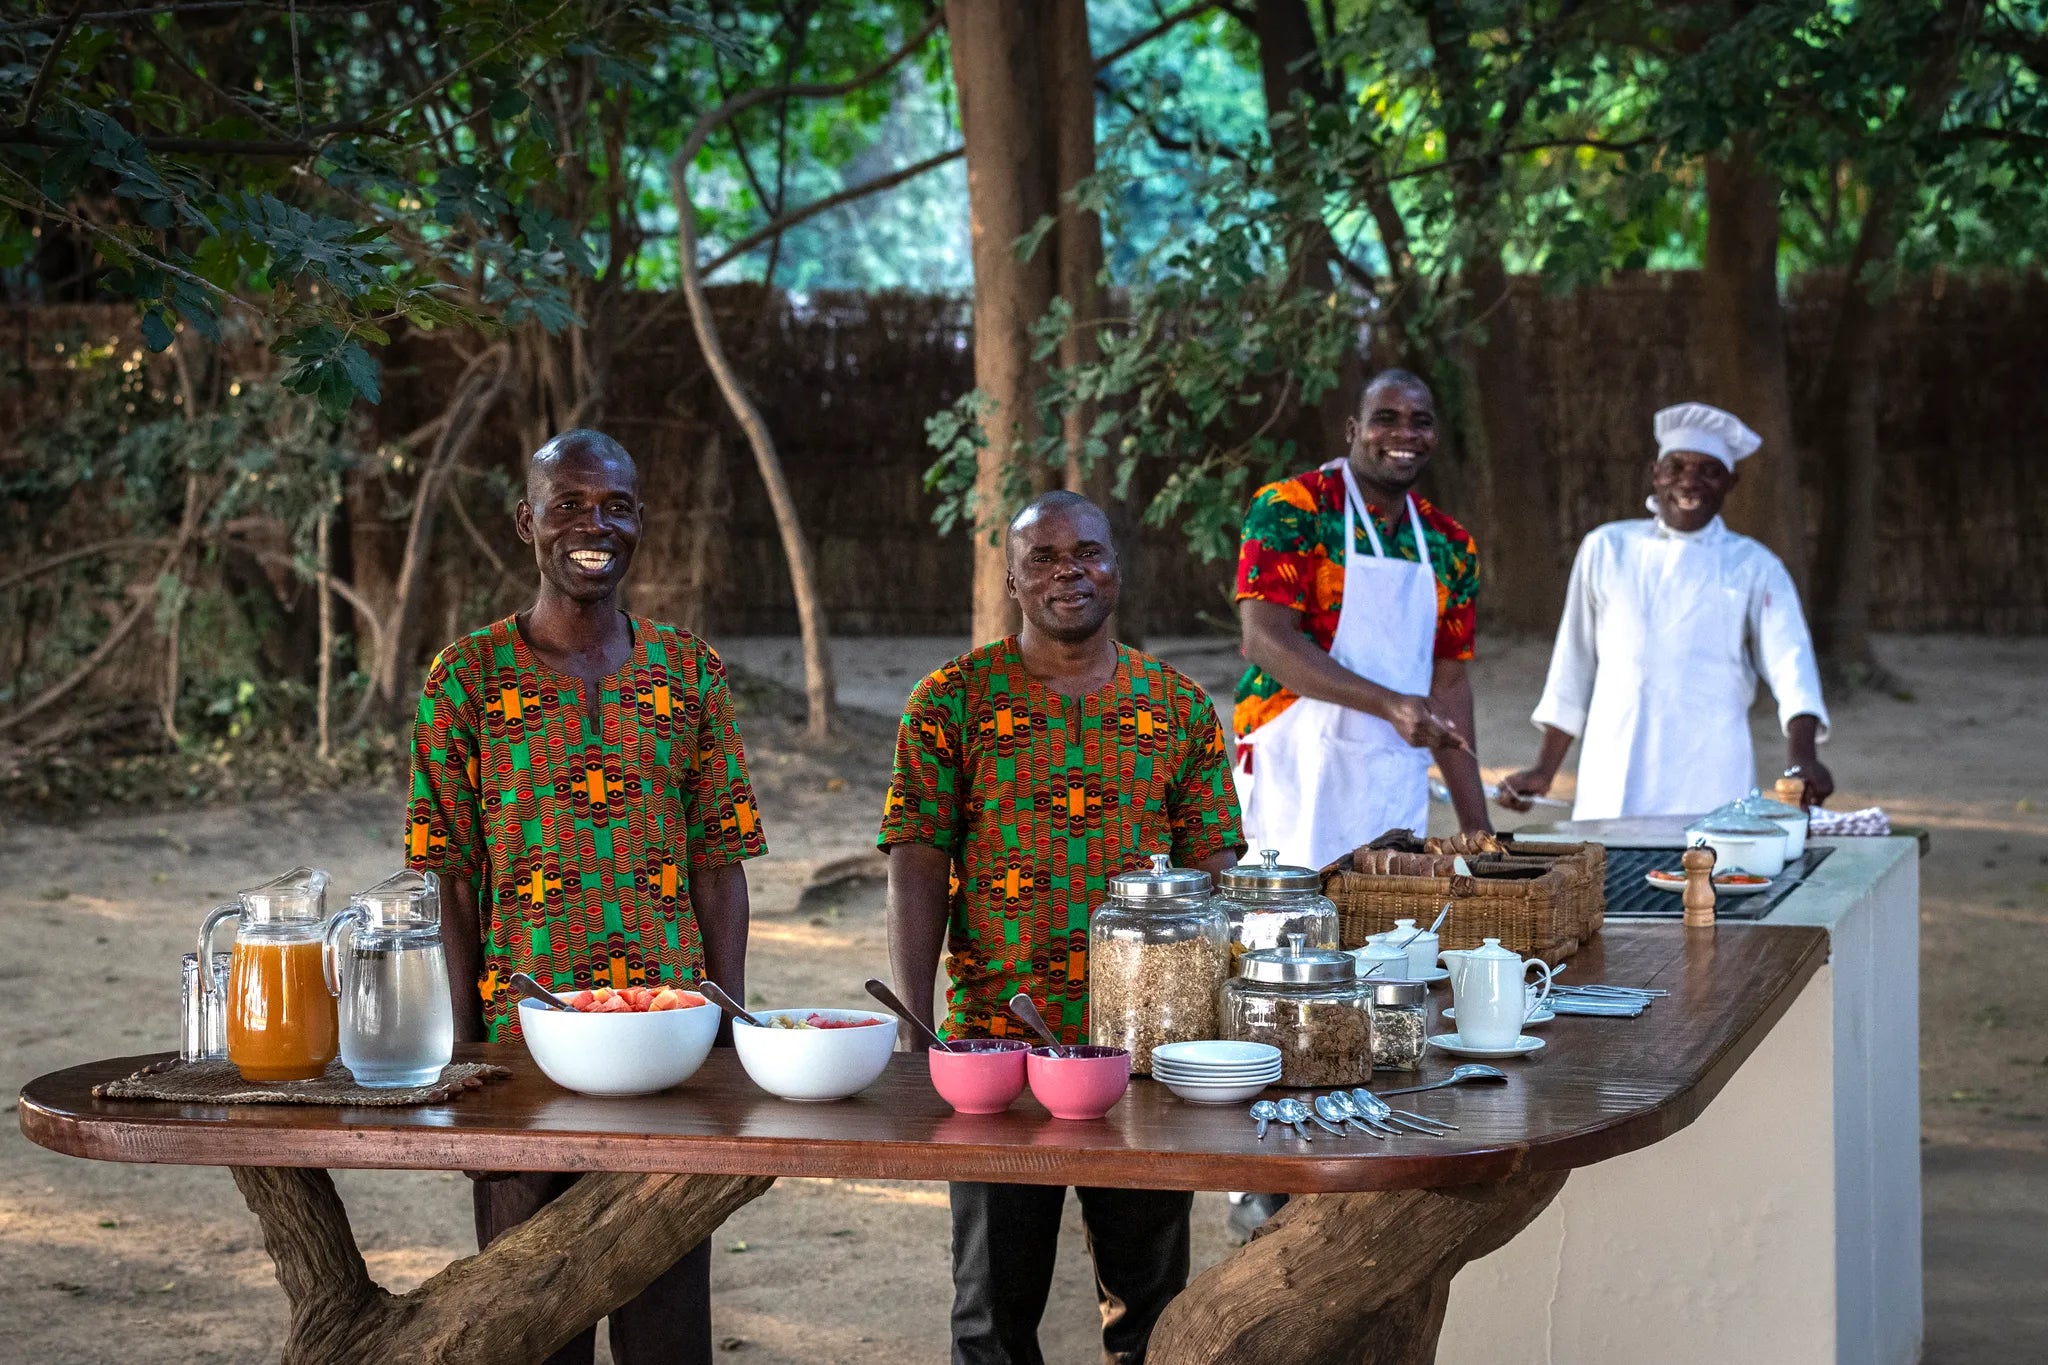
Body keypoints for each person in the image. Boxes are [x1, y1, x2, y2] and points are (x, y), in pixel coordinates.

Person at [405, 430, 764, 1365]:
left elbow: (720, 862)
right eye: (567, 504)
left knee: (667, 1325)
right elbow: (448, 876)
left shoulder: (690, 671)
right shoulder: (465, 677)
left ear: (641, 520)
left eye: (614, 506)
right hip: (520, 1051)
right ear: (527, 523)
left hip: (669, 1045)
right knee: (530, 1324)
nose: (592, 525)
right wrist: (464, 1052)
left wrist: (728, 1031)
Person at [881, 490, 1245, 1365]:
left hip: (1144, 1053)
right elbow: (918, 862)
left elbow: (1218, 876)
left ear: (1117, 568)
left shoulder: (1179, 707)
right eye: (1041, 557)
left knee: (1152, 1311)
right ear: (1011, 579)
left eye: (1087, 551)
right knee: (991, 1317)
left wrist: (1217, 1026)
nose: (1067, 571)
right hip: (995, 1050)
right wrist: (916, 1022)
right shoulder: (950, 701)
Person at [1498, 402, 1833, 820]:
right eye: (1676, 467)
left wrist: (1802, 758)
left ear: (1731, 482)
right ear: (1656, 474)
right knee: (1608, 861)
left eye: (1709, 470)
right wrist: (1544, 771)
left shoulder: (1754, 565)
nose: (1689, 481)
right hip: (1614, 768)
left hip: (1712, 769)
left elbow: (1791, 663)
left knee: (1710, 857)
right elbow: (1573, 665)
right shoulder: (1607, 548)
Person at [1233, 367, 1491, 870]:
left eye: (1421, 422)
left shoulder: (1449, 543)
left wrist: (1477, 824)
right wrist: (1390, 704)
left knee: (1391, 911)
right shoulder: (1292, 508)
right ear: (1353, 430)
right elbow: (1265, 640)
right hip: (1295, 761)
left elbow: (1449, 683)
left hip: (1392, 770)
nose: (1405, 434)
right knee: (1289, 911)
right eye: (1386, 419)